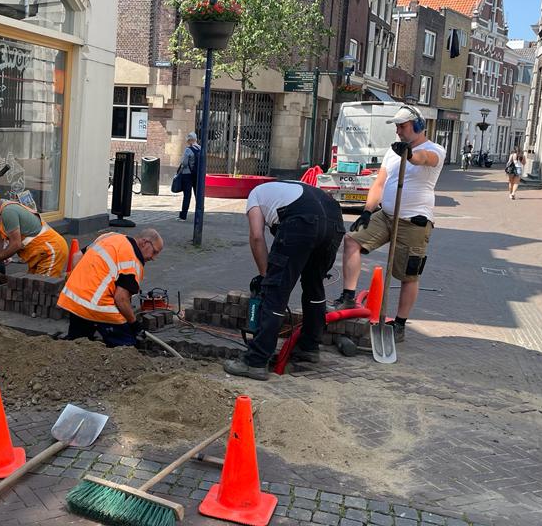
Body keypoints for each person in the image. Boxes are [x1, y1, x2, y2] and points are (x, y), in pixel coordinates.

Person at [333, 105, 446, 342]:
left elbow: (425, 159)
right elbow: (380, 184)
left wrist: (410, 155)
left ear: (417, 126)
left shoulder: (435, 149)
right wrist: (366, 211)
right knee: (351, 240)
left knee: (408, 274)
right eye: (396, 126)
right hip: (385, 215)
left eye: (402, 126)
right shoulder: (392, 151)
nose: (398, 132)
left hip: (414, 221)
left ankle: (400, 324)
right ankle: (348, 295)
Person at [222, 181, 345, 381]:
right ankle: (309, 347)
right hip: (334, 222)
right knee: (314, 287)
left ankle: (255, 361)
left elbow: (256, 237)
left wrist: (265, 276)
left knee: (275, 290)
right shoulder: (290, 189)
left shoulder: (255, 195)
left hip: (302, 220)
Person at [57, 228, 164, 347]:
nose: (154, 258)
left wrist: (83, 284)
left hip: (74, 299)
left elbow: (77, 256)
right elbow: (121, 299)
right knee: (126, 348)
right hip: (97, 307)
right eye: (154, 252)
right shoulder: (132, 261)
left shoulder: (110, 236)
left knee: (77, 344)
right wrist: (134, 324)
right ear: (144, 242)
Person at [0, 189, 68, 277]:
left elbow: (16, 244)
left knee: (43, 288)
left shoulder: (8, 212)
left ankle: (72, 284)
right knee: (30, 286)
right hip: (39, 254)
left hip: (51, 250)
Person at [177, 132, 201, 221]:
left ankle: (183, 216)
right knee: (197, 195)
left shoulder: (188, 150)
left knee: (187, 195)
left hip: (187, 175)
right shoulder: (200, 149)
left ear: (189, 140)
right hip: (197, 175)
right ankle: (199, 215)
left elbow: (184, 163)